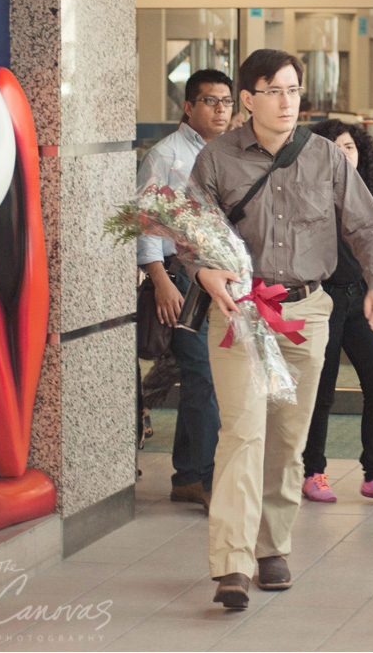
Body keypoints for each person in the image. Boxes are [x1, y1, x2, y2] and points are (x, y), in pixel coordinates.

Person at [188, 49, 373, 609]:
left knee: (287, 436)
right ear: (249, 99)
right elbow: (192, 230)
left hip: (306, 312)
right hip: (239, 313)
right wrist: (204, 268)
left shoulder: (326, 157)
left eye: (293, 91)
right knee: (243, 433)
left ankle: (271, 547)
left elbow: (367, 226)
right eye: (273, 91)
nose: (286, 102)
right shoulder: (216, 159)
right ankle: (232, 562)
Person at [136, 69, 234, 509]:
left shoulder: (232, 153)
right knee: (203, 374)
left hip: (222, 278)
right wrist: (159, 280)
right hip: (180, 279)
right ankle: (203, 477)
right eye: (210, 101)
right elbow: (146, 223)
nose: (220, 110)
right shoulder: (166, 155)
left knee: (209, 377)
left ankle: (189, 475)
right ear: (188, 107)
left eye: (227, 102)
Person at [301, 119, 373, 506]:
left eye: (349, 147)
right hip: (323, 299)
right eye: (335, 148)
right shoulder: (309, 193)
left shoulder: (370, 194)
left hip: (363, 297)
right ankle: (312, 471)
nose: (344, 154)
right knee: (321, 393)